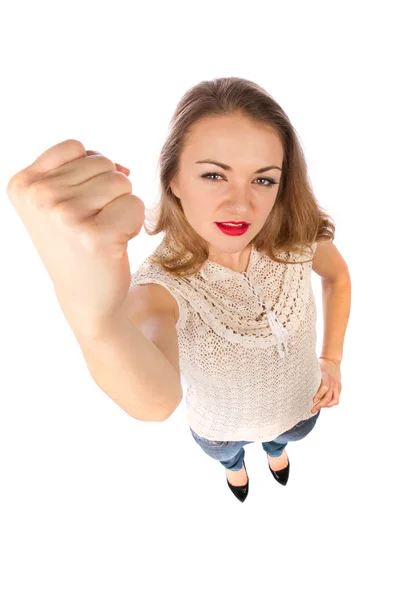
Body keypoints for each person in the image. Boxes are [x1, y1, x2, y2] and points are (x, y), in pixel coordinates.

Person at [7, 76, 350, 504]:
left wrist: (331, 360)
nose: (240, 205)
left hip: (301, 411)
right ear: (174, 181)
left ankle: (276, 454)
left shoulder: (297, 236)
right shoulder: (163, 285)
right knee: (228, 458)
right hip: (220, 433)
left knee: (283, 442)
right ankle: (235, 469)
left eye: (263, 180)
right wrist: (95, 320)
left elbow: (336, 277)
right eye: (213, 175)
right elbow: (154, 401)